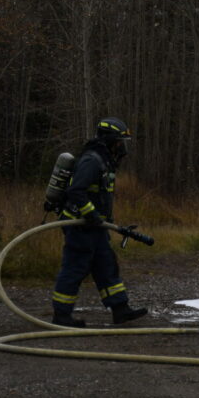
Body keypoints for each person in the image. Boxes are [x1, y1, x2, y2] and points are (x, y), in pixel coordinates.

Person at [50, 117, 148, 328]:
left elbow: (100, 195)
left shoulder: (105, 161)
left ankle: (120, 309)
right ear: (110, 140)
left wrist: (103, 219)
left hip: (95, 227)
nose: (122, 146)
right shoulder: (92, 161)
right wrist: (91, 214)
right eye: (120, 141)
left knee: (106, 266)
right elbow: (76, 191)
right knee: (75, 268)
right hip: (80, 226)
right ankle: (61, 315)